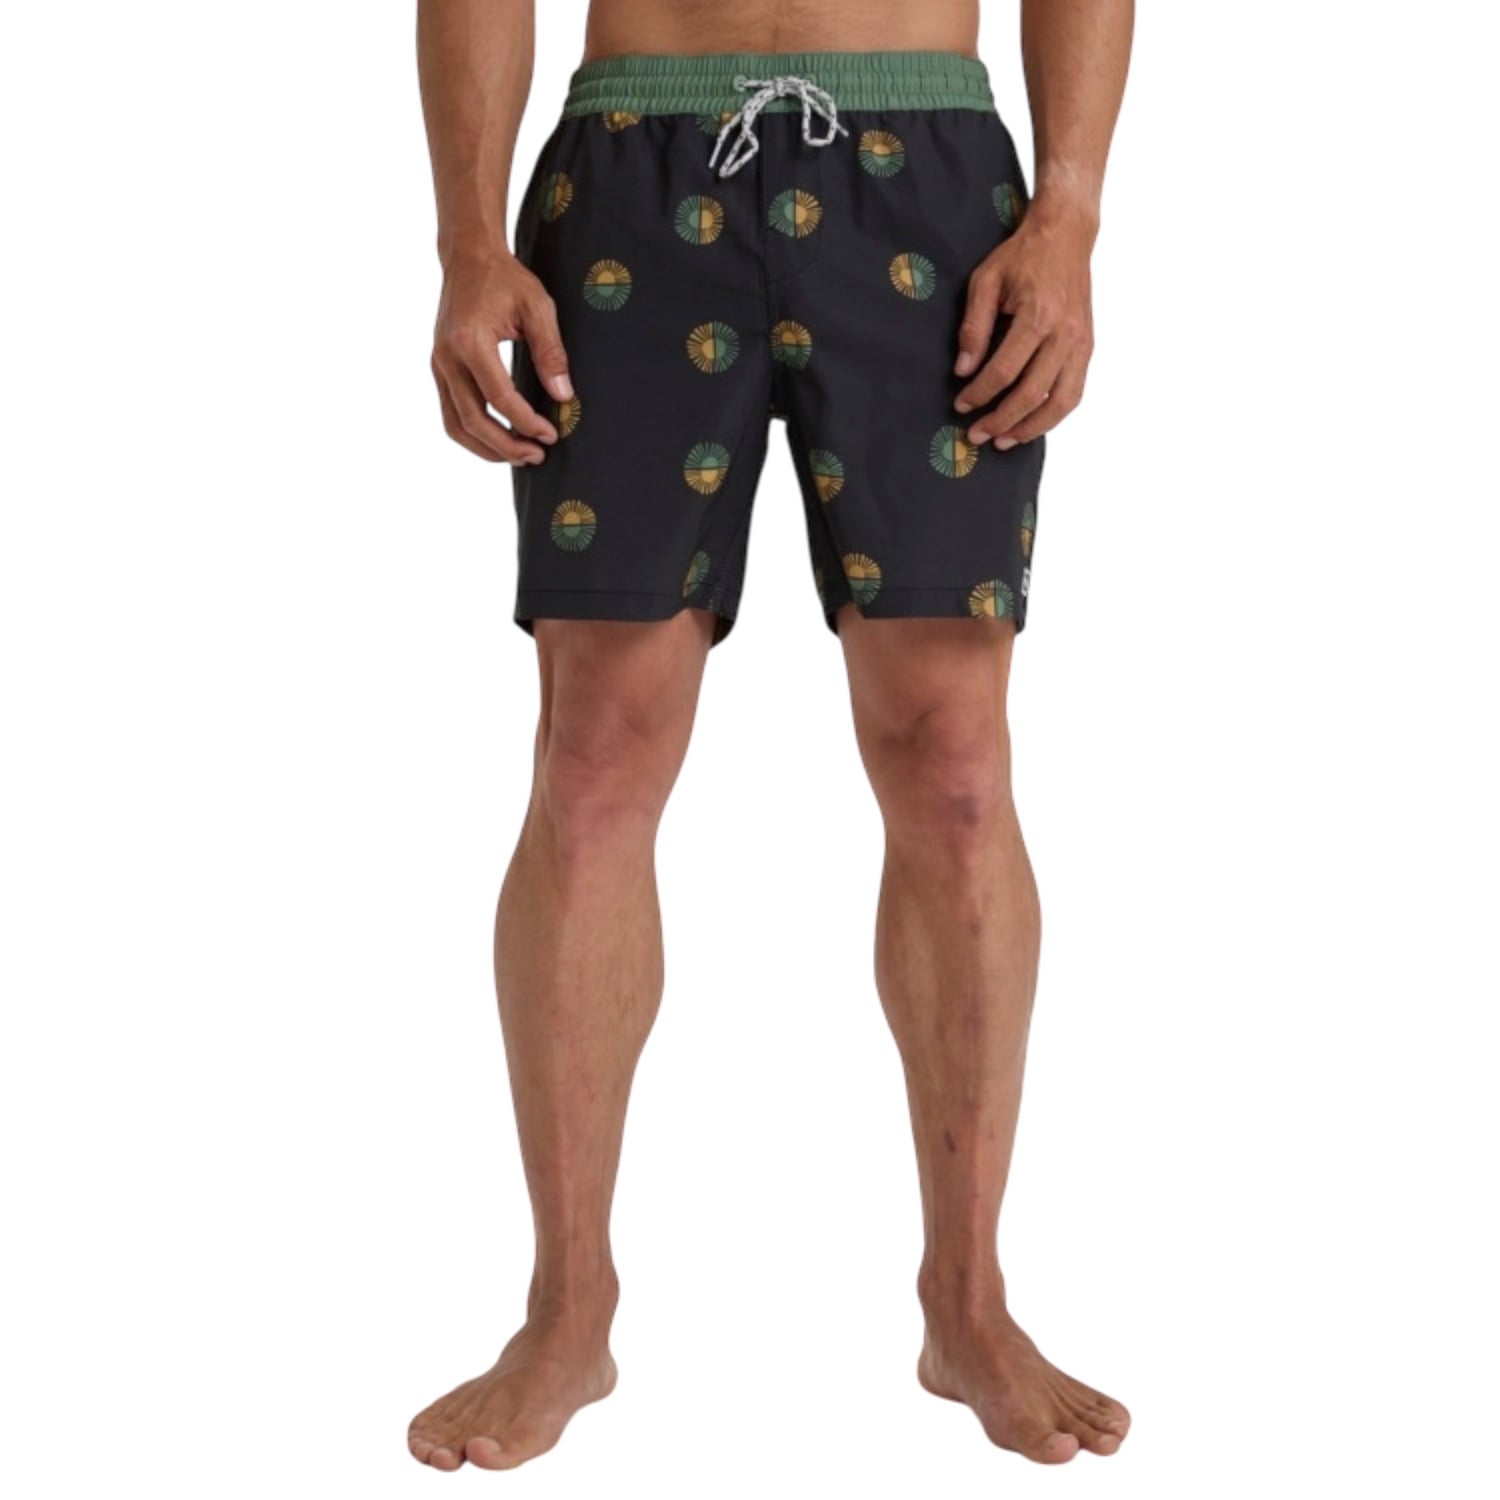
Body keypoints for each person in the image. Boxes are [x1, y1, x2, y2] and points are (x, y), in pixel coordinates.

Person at [410, 0, 1133, 1471]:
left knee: (956, 767)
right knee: (592, 760)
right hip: (634, 164)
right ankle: (568, 1308)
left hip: (929, 175)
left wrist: (1068, 214)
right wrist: (468, 243)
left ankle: (967, 1302)